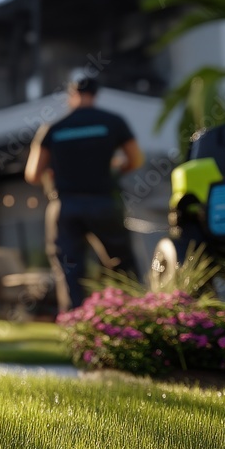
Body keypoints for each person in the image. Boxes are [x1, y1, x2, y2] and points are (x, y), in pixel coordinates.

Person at [25, 76, 145, 311]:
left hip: (65, 205)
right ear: (96, 94)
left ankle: (74, 325)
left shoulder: (53, 128)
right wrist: (115, 169)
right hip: (104, 202)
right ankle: (131, 319)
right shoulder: (112, 122)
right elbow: (136, 159)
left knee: (69, 269)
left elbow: (32, 174)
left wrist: (54, 175)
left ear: (70, 95)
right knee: (121, 264)